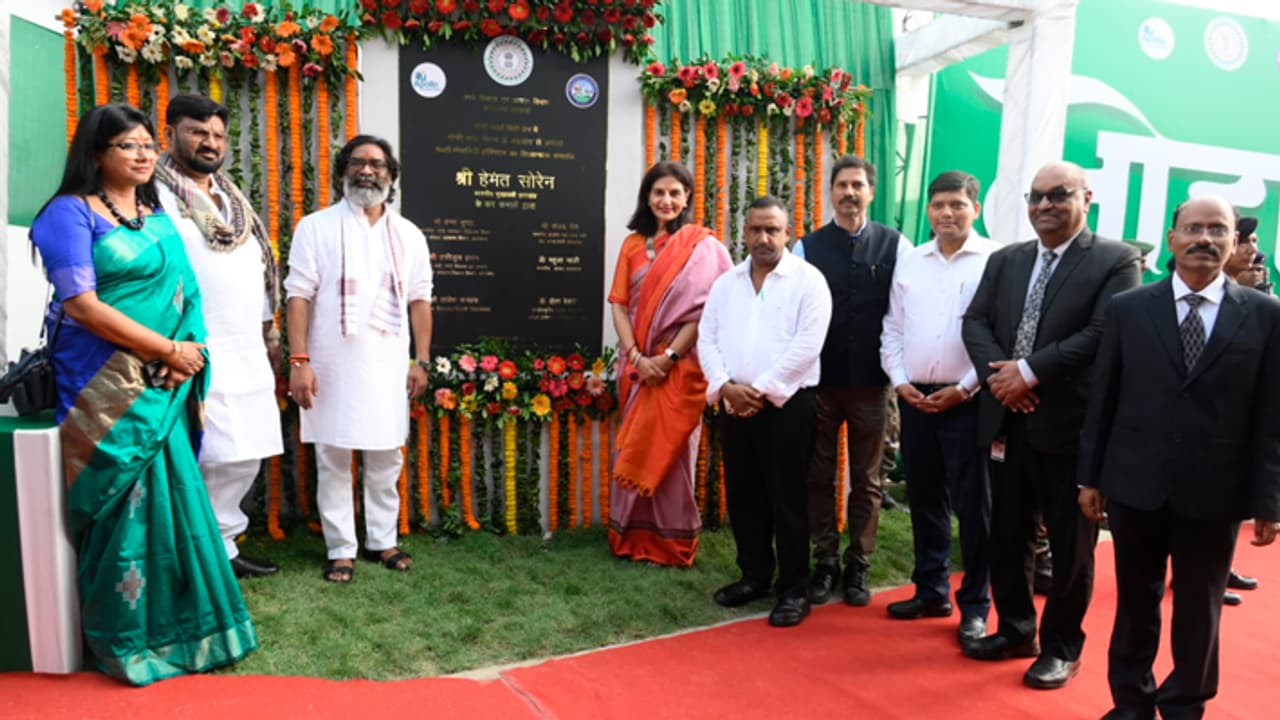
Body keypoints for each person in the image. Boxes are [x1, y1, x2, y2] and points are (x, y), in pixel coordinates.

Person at [29, 103, 256, 684]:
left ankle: (188, 629)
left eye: (148, 145)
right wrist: (164, 349)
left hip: (165, 383)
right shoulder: (68, 215)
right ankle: (123, 637)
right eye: (127, 145)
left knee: (174, 503)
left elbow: (189, 293)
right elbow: (82, 306)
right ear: (97, 152)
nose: (142, 154)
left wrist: (189, 352)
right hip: (102, 391)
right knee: (118, 514)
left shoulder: (156, 217)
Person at [1078, 195, 1280, 719]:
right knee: (1135, 604)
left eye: (1218, 230)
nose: (1204, 239)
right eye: (1193, 228)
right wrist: (1090, 477)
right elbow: (1105, 396)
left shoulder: (1265, 316)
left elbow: (1270, 417)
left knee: (1199, 607)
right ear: (1172, 239)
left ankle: (1187, 702)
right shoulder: (1129, 308)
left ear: (1234, 241)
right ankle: (1131, 702)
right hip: (1135, 483)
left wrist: (1269, 500)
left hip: (1216, 492)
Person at [961, 161, 1141, 689]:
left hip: (1070, 430)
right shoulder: (1008, 259)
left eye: (1058, 195)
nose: (1044, 206)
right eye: (1035, 197)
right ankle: (1016, 629)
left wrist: (1029, 372)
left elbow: (1105, 331)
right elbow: (975, 321)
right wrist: (1002, 379)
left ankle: (1062, 646)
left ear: (1087, 197)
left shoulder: (1115, 260)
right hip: (1006, 421)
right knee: (1007, 535)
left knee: (1071, 548)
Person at [285, 135, 434, 583]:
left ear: (391, 175)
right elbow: (298, 295)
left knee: (387, 453)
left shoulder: (408, 234)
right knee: (333, 453)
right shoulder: (316, 227)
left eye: (377, 164)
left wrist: (421, 361)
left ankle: (382, 540)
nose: (367, 170)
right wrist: (299, 361)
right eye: (358, 162)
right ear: (342, 171)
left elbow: (421, 301)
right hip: (330, 361)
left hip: (389, 361)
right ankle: (340, 548)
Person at [153, 94, 283, 579]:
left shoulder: (231, 197)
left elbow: (255, 265)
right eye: (197, 132)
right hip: (191, 344)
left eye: (217, 135)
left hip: (246, 343)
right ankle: (193, 550)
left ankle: (225, 545)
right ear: (170, 134)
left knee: (243, 452)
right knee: (203, 450)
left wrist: (270, 331)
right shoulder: (154, 195)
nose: (209, 143)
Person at [698, 196, 832, 626]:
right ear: (745, 232)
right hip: (735, 406)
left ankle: (794, 588)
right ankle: (754, 574)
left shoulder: (808, 281)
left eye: (772, 229)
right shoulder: (728, 283)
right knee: (744, 494)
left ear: (787, 232)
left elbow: (807, 346)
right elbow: (707, 338)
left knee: (787, 498)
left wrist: (757, 390)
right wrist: (725, 387)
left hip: (788, 405)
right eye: (756, 229)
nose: (763, 238)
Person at [879, 171, 997, 644]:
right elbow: (893, 326)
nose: (946, 213)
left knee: (975, 508)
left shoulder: (996, 261)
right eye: (938, 205)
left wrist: (966, 388)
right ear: (927, 210)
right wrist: (900, 382)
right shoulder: (911, 262)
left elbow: (999, 337)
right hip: (915, 398)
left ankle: (975, 605)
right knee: (925, 497)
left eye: (956, 204)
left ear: (976, 208)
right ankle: (930, 589)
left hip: (969, 400)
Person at [794, 155, 908, 606]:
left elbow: (904, 314)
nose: (849, 193)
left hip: (871, 383)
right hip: (818, 383)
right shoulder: (807, 247)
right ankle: (824, 561)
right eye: (842, 185)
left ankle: (858, 563)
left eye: (857, 185)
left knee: (867, 478)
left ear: (871, 192)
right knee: (818, 474)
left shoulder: (896, 246)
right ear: (831, 191)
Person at [608, 161, 732, 567]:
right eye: (659, 192)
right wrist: (638, 358)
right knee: (634, 446)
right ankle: (629, 537)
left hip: (678, 368)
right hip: (637, 369)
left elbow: (705, 312)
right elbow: (620, 306)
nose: (667, 200)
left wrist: (667, 357)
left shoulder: (702, 248)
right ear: (647, 196)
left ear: (687, 199)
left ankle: (671, 542)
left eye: (675, 193)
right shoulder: (631, 246)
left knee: (675, 452)